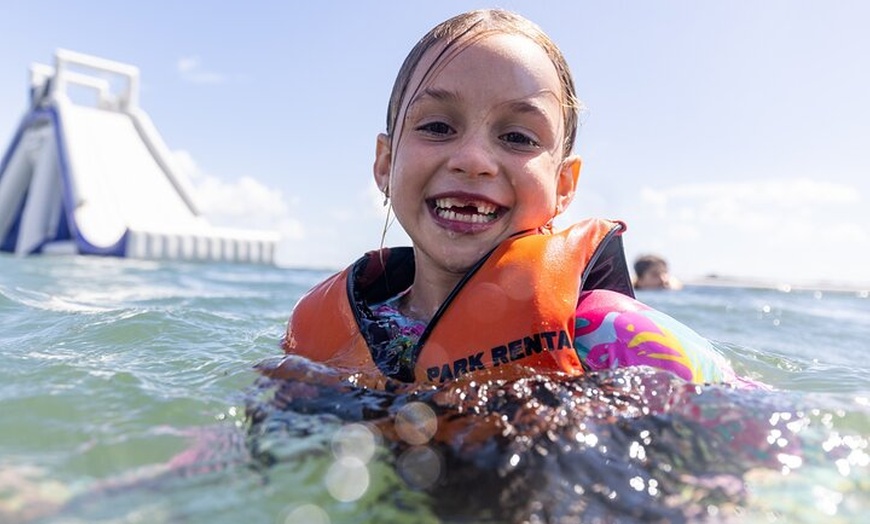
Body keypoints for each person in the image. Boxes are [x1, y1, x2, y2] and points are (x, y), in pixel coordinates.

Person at [279, 9, 742, 389]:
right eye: (437, 126)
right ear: (384, 163)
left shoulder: (619, 338)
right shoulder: (328, 330)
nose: (473, 159)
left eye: (518, 137)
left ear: (564, 185)